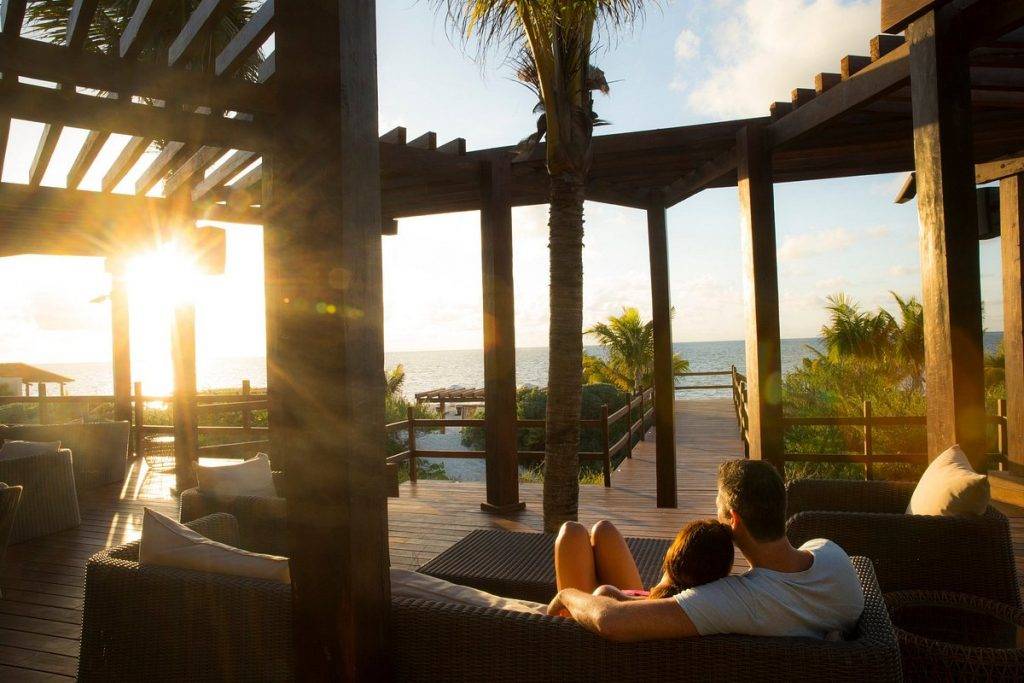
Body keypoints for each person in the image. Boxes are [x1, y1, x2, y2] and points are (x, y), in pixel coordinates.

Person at [547, 460, 864, 642]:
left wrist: (567, 595)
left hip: (622, 651)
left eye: (719, 508)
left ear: (734, 520)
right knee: (599, 531)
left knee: (573, 537)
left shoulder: (735, 600)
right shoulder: (833, 557)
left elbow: (610, 620)